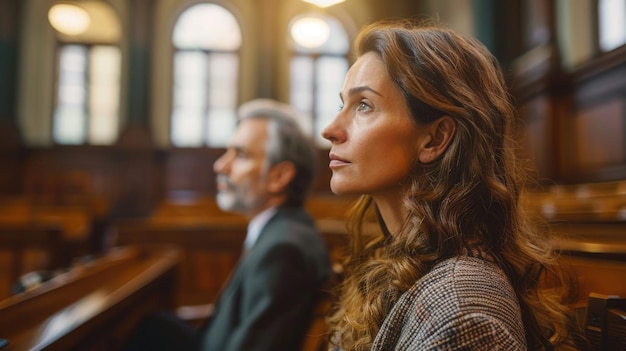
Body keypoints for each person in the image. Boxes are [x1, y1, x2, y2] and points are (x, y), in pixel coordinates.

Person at [321, 20, 579, 351]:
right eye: (342, 105)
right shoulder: (399, 263)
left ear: (436, 138)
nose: (330, 129)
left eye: (364, 106)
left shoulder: (463, 313)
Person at [125, 98, 331, 351]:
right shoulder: (284, 230)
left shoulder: (285, 249)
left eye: (240, 154)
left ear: (279, 176)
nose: (220, 165)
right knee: (152, 327)